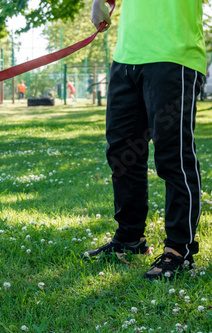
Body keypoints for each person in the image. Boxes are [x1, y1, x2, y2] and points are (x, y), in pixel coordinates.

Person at [84, 0, 206, 280]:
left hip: (174, 56)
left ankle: (179, 249)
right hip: (126, 57)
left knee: (173, 156)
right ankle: (129, 238)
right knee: (122, 154)